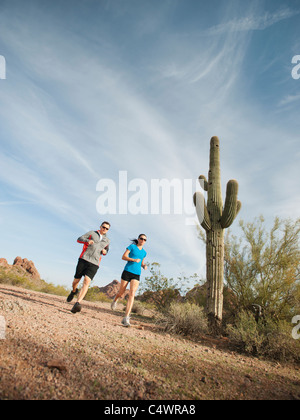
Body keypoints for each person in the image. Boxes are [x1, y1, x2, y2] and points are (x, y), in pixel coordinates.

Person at [67, 222, 111, 314]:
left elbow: (107, 250)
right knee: (76, 281)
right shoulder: (92, 233)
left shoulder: (107, 240)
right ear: (100, 227)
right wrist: (87, 241)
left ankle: (77, 303)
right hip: (84, 259)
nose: (104, 229)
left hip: (95, 263)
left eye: (107, 228)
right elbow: (79, 239)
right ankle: (74, 291)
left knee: (87, 281)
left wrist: (104, 251)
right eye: (103, 227)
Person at [111, 234, 147, 327]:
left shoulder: (144, 252)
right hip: (127, 271)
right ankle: (115, 299)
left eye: (145, 240)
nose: (143, 240)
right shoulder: (132, 247)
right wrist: (133, 260)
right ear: (138, 239)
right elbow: (124, 257)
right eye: (141, 238)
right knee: (121, 292)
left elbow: (142, 262)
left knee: (132, 294)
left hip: (137, 274)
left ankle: (126, 318)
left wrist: (144, 266)